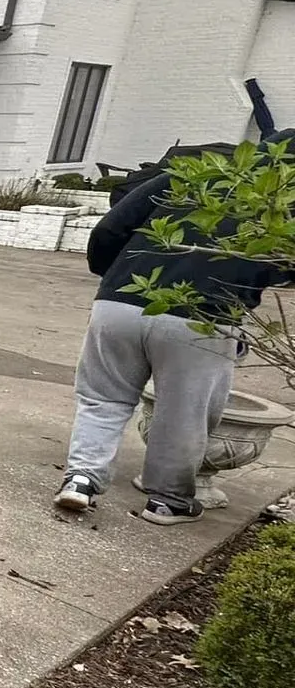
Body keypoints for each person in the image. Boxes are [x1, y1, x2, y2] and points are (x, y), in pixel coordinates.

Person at [57, 148, 290, 524]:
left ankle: (81, 479)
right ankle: (168, 501)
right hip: (203, 316)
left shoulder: (187, 176)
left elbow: (108, 229)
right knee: (184, 409)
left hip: (120, 302)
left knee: (102, 398)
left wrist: (114, 278)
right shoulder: (281, 202)